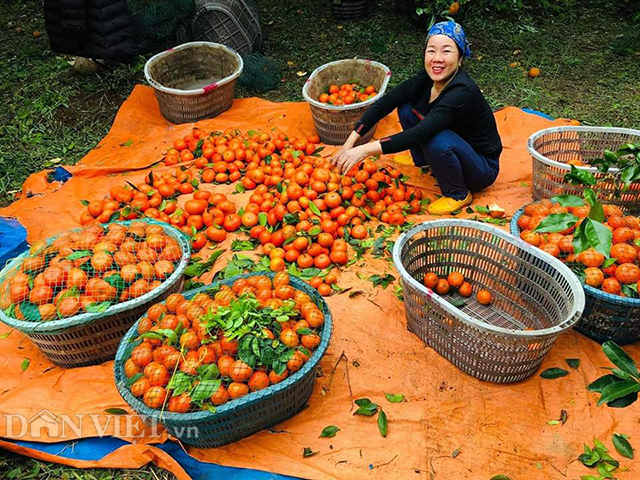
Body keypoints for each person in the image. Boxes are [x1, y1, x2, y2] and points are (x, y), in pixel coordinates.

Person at [332, 21, 502, 215]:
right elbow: (386, 102)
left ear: (460, 58)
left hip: (481, 168)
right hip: (457, 143)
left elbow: (420, 133)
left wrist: (365, 150)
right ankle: (423, 160)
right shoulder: (427, 79)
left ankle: (458, 193)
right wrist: (349, 143)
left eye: (446, 51)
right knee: (406, 108)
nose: (437, 59)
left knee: (436, 138)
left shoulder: (462, 92)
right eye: (431, 51)